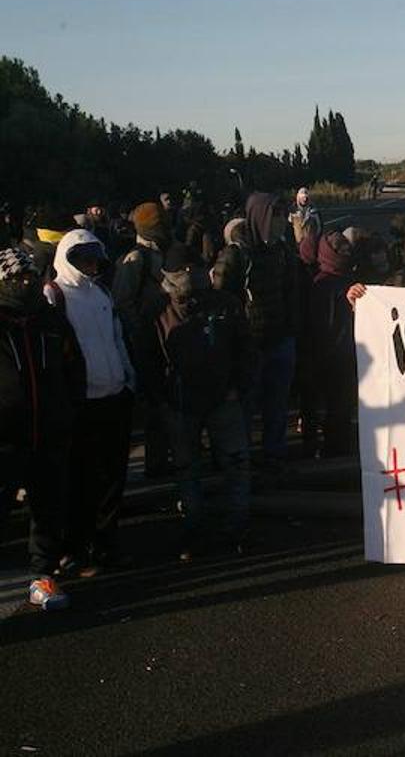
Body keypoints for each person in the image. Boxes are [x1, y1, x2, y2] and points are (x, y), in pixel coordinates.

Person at [141, 244, 253, 558]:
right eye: (183, 271)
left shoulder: (224, 302)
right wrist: (161, 398)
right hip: (179, 402)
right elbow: (146, 358)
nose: (190, 276)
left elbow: (246, 348)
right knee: (189, 469)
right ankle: (195, 529)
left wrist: (238, 387)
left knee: (234, 465)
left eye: (194, 269)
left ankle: (235, 527)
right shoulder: (157, 309)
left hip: (222, 398)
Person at [47, 230, 137, 574]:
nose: (89, 263)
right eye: (81, 256)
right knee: (79, 479)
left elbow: (118, 339)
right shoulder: (54, 295)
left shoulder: (101, 292)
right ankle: (74, 549)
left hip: (115, 396)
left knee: (112, 478)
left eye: (93, 257)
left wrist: (130, 380)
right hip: (80, 403)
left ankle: (106, 545)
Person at [0, 248, 83, 610]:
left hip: (48, 432)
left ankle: (43, 574)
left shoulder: (51, 321)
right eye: (16, 277)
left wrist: (67, 411)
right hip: (4, 438)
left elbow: (74, 369)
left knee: (48, 507)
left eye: (31, 276)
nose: (25, 283)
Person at [213, 192, 299, 472]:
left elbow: (291, 290)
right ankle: (243, 464)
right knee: (246, 408)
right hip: (250, 345)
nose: (280, 222)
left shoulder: (282, 249)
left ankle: (274, 456)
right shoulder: (236, 254)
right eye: (274, 215)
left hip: (280, 339)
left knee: (277, 406)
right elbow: (220, 300)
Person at [112, 201, 174, 478]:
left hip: (166, 338)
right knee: (155, 405)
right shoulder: (136, 260)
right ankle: (157, 464)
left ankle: (163, 458)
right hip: (149, 340)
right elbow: (123, 302)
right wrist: (140, 333)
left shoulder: (160, 252)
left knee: (165, 402)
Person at [302, 232, 358, 461]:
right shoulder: (320, 284)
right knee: (327, 405)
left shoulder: (350, 279)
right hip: (326, 355)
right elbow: (318, 325)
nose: (345, 252)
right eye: (339, 249)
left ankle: (337, 445)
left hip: (345, 354)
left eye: (346, 248)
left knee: (341, 405)